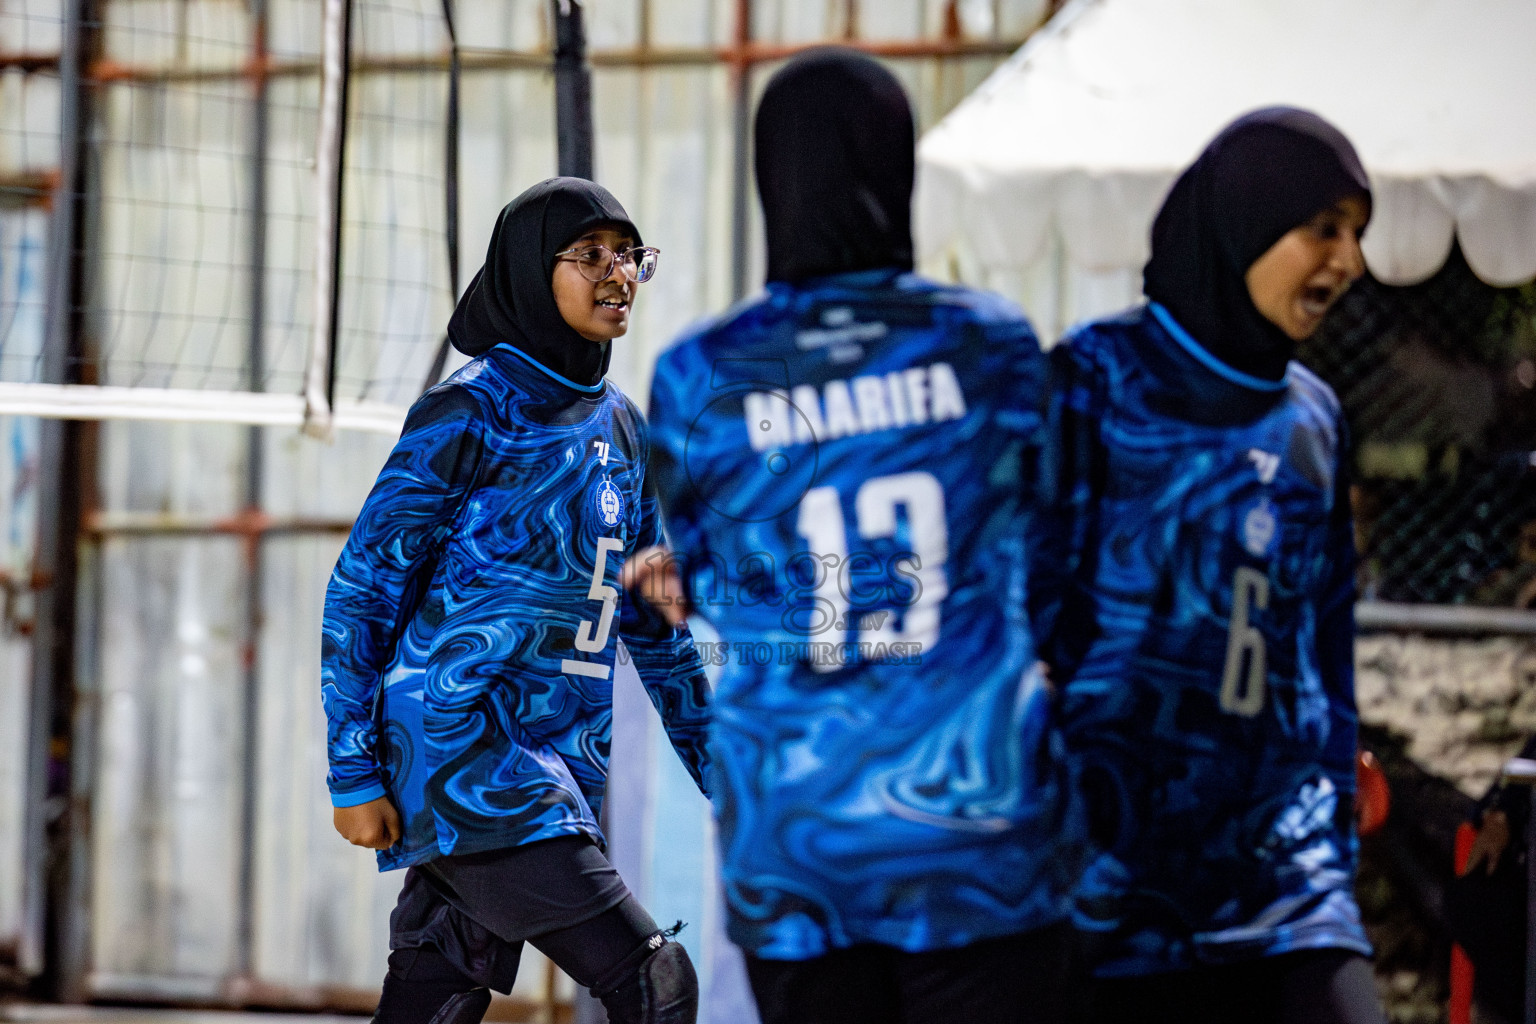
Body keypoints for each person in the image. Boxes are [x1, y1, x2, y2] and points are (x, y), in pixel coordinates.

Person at [627, 48, 1083, 1024]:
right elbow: (1048, 555)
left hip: (797, 840)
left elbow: (716, 582)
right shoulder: (988, 342)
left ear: (770, 179)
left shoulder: (699, 372)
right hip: (977, 824)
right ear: (896, 168)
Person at [321, 177, 711, 1024]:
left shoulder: (624, 429)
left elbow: (655, 628)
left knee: (432, 991)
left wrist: (727, 774)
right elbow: (361, 590)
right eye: (592, 254)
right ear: (534, 271)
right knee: (653, 981)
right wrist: (351, 769)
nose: (620, 275)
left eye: (630, 255)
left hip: (559, 770)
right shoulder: (468, 410)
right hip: (466, 762)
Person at [1034, 107, 1387, 1024]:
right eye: (1324, 230)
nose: (1348, 262)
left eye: (1357, 234)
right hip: (1117, 890)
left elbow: (1327, 640)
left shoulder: (1316, 417)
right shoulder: (1091, 381)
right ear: (1243, 224)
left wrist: (1338, 817)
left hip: (1290, 885)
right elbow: (1011, 611)